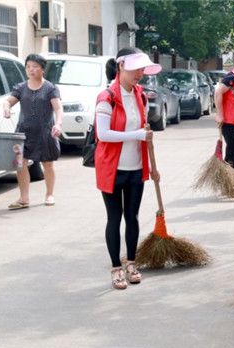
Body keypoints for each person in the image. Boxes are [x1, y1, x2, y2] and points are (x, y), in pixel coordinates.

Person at [94, 48, 161, 290]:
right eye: (136, 69)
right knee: (114, 218)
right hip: (112, 169)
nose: (140, 74)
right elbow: (103, 134)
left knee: (132, 217)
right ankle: (115, 268)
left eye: (143, 69)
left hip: (136, 168)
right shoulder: (107, 97)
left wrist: (152, 166)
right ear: (121, 66)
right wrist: (138, 135)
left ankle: (131, 263)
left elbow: (146, 135)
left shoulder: (140, 95)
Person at [3, 53, 63, 209]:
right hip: (24, 132)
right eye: (28, 66)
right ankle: (24, 198)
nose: (31, 70)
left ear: (42, 69)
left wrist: (58, 124)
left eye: (35, 66)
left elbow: (58, 109)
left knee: (47, 163)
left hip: (45, 132)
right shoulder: (21, 87)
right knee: (20, 164)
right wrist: (6, 108)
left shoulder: (50, 88)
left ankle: (49, 194)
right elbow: (8, 101)